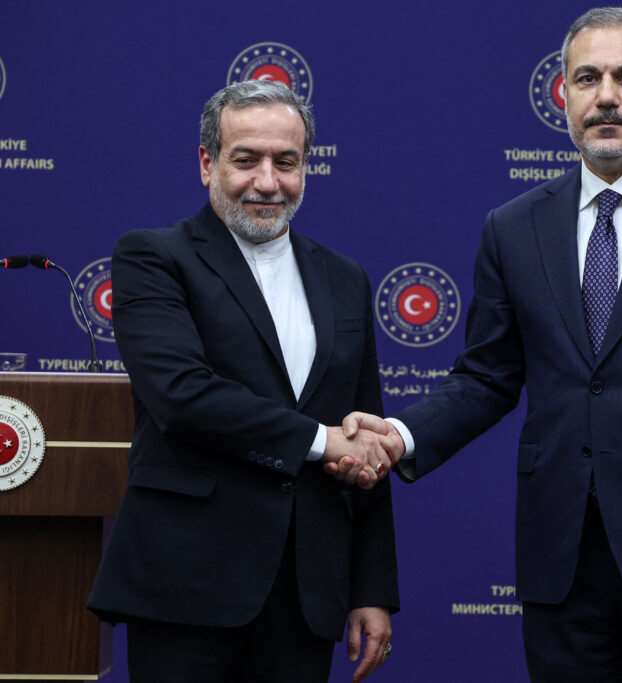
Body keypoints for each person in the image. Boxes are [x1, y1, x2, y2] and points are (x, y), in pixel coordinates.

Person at [337, 6, 622, 682]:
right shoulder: (513, 227)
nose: (606, 96)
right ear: (563, 96)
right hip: (560, 561)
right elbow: (486, 377)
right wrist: (400, 437)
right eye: (588, 79)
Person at [88, 80, 398, 683]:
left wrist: (371, 588)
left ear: (306, 168)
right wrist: (322, 440)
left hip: (306, 593)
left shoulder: (345, 279)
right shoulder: (154, 258)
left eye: (286, 162)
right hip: (186, 587)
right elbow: (183, 396)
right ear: (208, 163)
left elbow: (366, 428)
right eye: (246, 159)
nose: (267, 181)